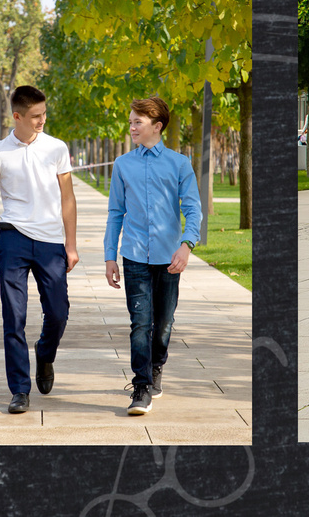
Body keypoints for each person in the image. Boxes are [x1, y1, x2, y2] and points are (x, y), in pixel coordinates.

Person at [0, 84, 77, 415]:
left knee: (59, 313)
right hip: (13, 239)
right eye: (35, 116)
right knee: (14, 317)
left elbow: (67, 198)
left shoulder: (56, 148)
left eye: (44, 113)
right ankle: (19, 390)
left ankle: (45, 354)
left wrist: (71, 244)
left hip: (50, 241)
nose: (42, 120)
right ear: (17, 116)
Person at [104, 96, 200, 417]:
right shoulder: (123, 165)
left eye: (138, 122)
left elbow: (193, 209)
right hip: (134, 256)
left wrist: (186, 245)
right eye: (130, 122)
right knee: (140, 323)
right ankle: (141, 385)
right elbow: (115, 213)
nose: (131, 127)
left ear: (157, 126)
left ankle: (157, 364)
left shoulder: (179, 164)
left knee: (164, 323)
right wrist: (109, 256)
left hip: (169, 257)